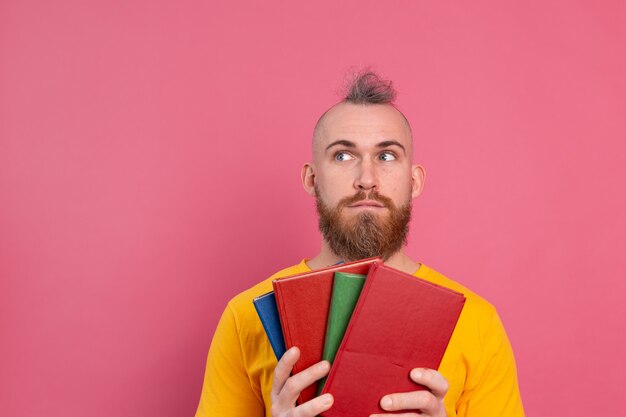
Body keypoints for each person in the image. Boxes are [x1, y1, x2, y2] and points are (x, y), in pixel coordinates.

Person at [194, 71, 525, 417]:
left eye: (386, 157)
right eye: (342, 156)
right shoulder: (244, 317)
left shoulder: (477, 321)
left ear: (414, 181)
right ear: (311, 178)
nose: (366, 180)